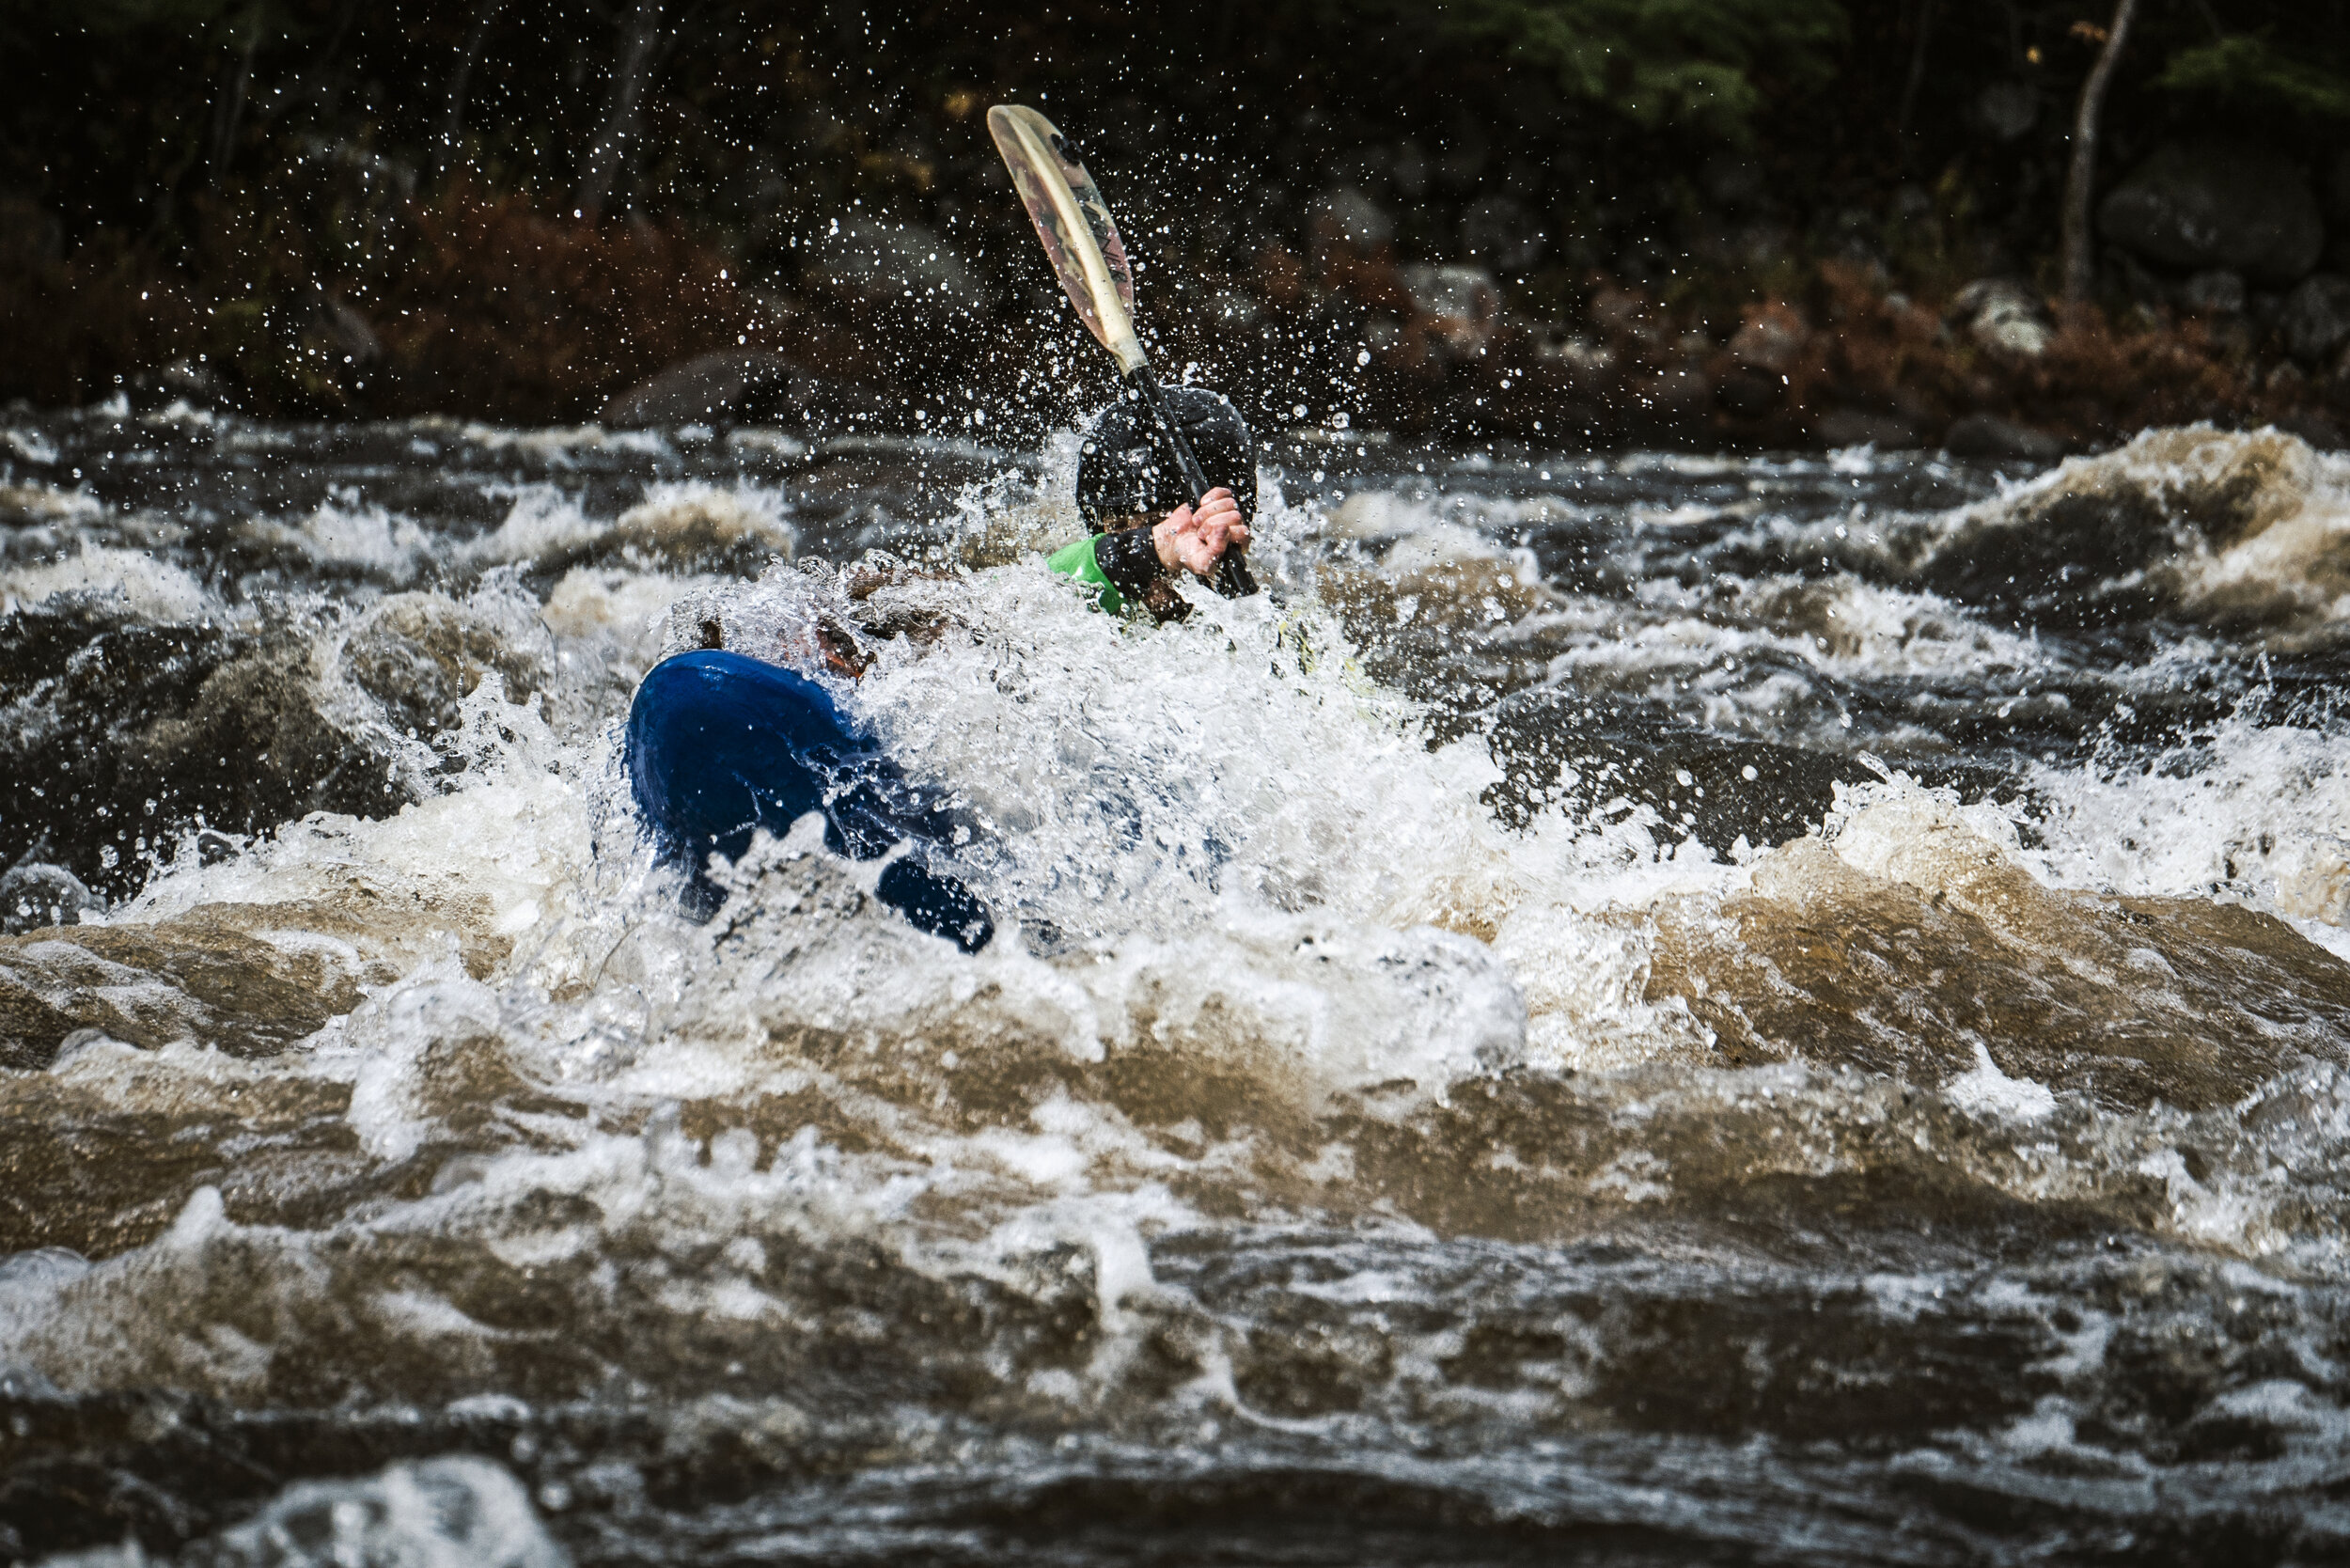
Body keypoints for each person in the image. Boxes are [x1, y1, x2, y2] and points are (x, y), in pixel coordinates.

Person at [623, 384, 1256, 950]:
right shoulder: (1070, 605)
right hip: (999, 842)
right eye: (1127, 528)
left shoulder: (1272, 649)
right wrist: (1150, 549)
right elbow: (1049, 585)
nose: (1161, 554)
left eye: (1164, 526)